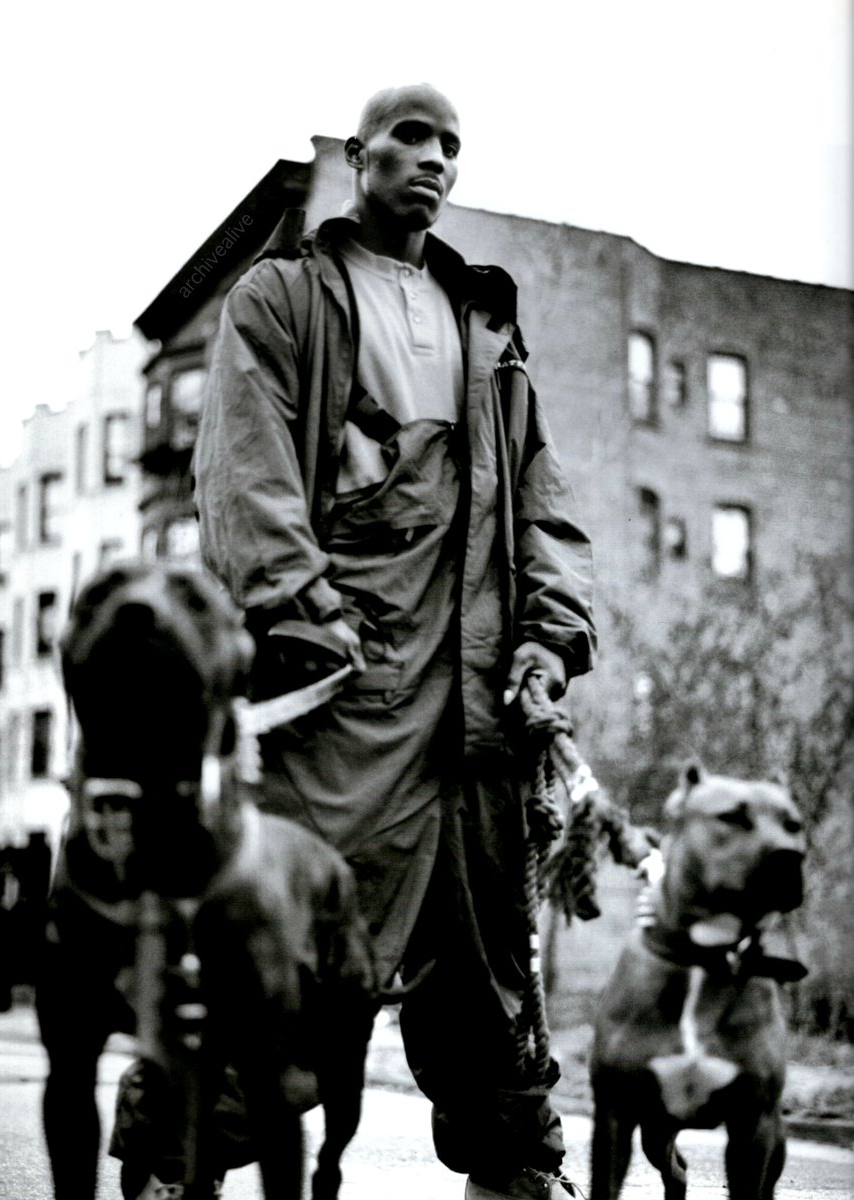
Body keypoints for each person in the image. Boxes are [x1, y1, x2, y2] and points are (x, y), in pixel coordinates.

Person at [193, 83, 597, 1200]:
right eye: (409, 137)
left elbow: (541, 503)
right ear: (357, 153)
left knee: (488, 972)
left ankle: (513, 1168)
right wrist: (305, 614)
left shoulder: (489, 330)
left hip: (477, 705)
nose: (431, 160)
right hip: (345, 688)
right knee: (302, 958)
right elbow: (242, 467)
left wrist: (544, 644)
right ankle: (184, 1161)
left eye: (449, 146)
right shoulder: (280, 298)